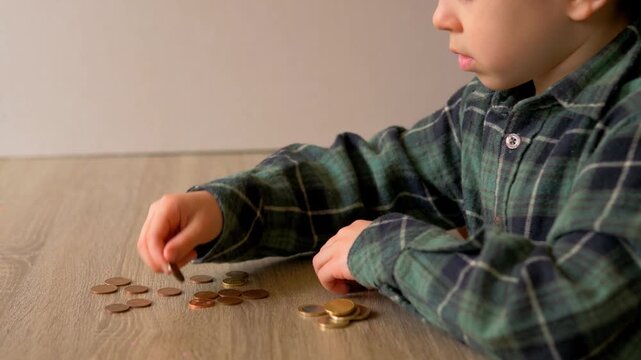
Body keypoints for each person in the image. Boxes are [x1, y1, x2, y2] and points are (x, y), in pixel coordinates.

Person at [137, 0, 641, 358]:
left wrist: (387, 248)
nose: (440, 15)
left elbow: (561, 313)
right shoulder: (491, 105)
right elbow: (374, 174)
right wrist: (230, 208)